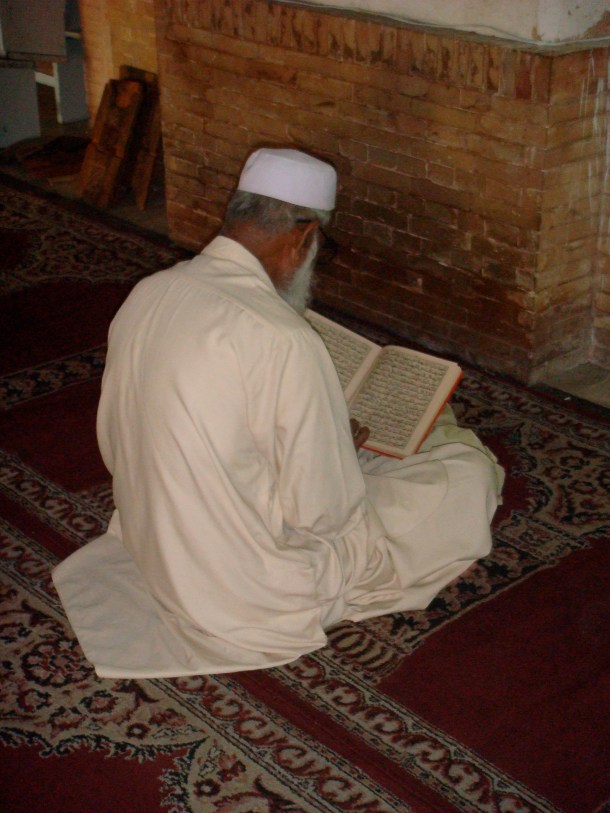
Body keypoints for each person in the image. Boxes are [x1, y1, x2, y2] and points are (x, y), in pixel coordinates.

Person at [53, 148, 503, 678]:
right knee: (465, 473)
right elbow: (325, 513)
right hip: (246, 588)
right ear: (303, 237)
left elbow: (115, 441)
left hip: (154, 540)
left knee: (410, 450)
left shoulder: (150, 291)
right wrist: (337, 447)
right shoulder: (282, 336)